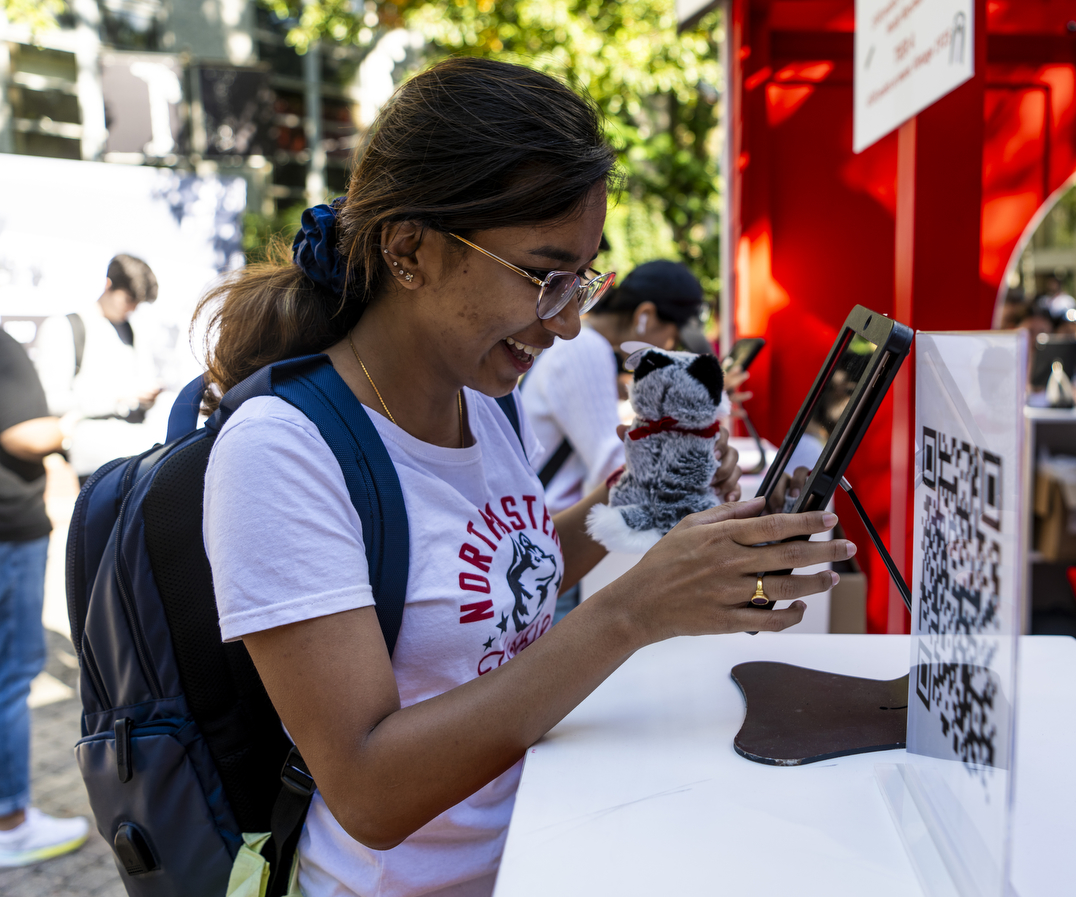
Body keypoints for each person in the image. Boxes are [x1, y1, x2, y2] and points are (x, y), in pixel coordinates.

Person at [196, 57, 847, 897]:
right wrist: (634, 611)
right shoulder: (282, 451)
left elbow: (508, 574)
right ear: (409, 250)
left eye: (582, 278)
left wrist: (642, 505)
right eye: (545, 277)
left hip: (546, 845)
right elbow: (366, 788)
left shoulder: (483, 402)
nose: (571, 322)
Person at [0, 330, 89, 866]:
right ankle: (11, 820)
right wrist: (72, 425)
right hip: (9, 531)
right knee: (13, 674)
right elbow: (22, 433)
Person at [522, 259, 707, 514]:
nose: (669, 350)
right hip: (551, 527)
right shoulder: (585, 347)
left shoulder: (586, 344)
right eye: (673, 339)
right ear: (645, 316)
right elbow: (610, 467)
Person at [33, 255, 162, 478]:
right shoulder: (64, 327)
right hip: (94, 462)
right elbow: (51, 401)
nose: (132, 308)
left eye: (138, 303)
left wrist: (147, 397)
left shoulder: (133, 331)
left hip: (138, 453)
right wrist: (118, 397)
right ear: (108, 285)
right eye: (129, 299)